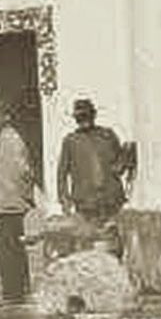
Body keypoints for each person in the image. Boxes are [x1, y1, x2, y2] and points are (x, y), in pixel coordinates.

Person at [57, 98, 129, 229]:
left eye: (86, 116)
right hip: (86, 203)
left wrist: (126, 157)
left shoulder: (108, 135)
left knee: (114, 239)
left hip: (111, 199)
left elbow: (120, 164)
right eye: (80, 117)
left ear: (93, 116)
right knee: (90, 241)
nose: (83, 120)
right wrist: (64, 200)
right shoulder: (70, 141)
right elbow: (61, 173)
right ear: (76, 119)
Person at [0, 103, 35, 303]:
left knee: (9, 250)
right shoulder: (1, 139)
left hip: (12, 204)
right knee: (8, 248)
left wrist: (23, 196)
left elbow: (24, 171)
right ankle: (14, 290)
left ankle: (15, 291)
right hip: (4, 204)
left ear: (7, 117)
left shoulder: (12, 139)